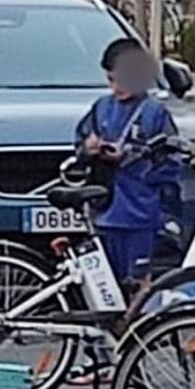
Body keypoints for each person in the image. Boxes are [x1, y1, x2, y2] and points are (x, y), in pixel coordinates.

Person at [75, 39, 182, 283]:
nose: (117, 87)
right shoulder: (101, 108)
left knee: (140, 282)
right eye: (111, 80)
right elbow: (79, 147)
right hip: (104, 211)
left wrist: (132, 158)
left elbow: (172, 162)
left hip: (140, 213)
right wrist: (88, 149)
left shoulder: (155, 112)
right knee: (106, 283)